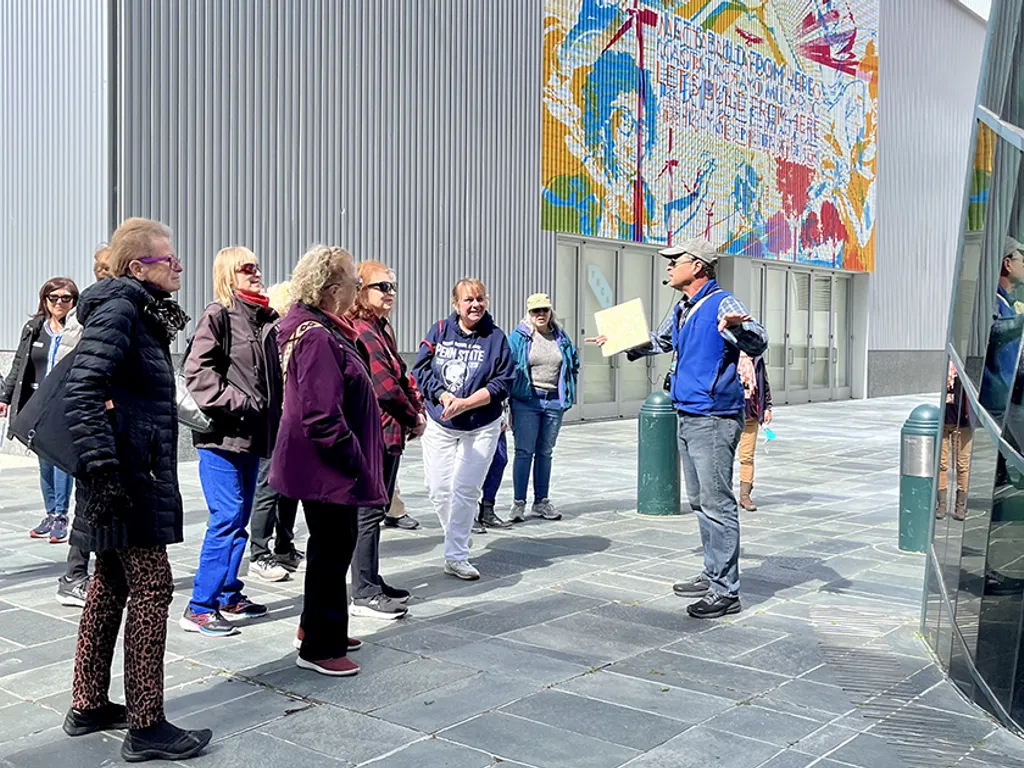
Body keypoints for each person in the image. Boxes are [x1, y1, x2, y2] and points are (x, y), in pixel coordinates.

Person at [63, 216, 211, 761]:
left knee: (108, 584)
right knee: (152, 587)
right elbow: (83, 390)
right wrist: (104, 473)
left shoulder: (138, 311)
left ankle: (88, 703)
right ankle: (147, 724)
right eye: (167, 259)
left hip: (127, 471)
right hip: (125, 477)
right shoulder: (124, 308)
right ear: (136, 267)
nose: (178, 266)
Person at [592, 237, 767, 619]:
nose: (669, 267)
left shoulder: (723, 302)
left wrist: (740, 328)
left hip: (713, 417)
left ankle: (726, 591)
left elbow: (759, 339)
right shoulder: (684, 307)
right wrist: (623, 340)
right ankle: (713, 572)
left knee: (717, 503)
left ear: (698, 267)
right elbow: (662, 340)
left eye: (676, 261)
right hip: (687, 412)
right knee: (700, 502)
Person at [270, 245, 387, 677]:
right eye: (356, 283)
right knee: (333, 552)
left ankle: (315, 625)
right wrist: (356, 460)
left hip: (321, 464)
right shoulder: (317, 335)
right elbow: (321, 415)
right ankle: (321, 647)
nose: (359, 289)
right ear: (333, 290)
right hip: (327, 467)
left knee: (326, 550)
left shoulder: (317, 327)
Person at [180, 247, 282, 636]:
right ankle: (199, 606)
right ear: (228, 274)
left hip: (252, 437)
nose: (256, 273)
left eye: (257, 267)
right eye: (247, 268)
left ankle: (227, 594)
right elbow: (198, 373)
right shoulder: (218, 314)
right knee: (226, 517)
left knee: (238, 518)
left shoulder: (262, 318)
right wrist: (242, 404)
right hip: (222, 437)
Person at [412, 278, 515, 581]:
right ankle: (457, 535)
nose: (475, 305)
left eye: (480, 299)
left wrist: (468, 403)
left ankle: (456, 556)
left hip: (481, 425)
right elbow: (421, 369)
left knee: (466, 490)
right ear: (455, 304)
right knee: (439, 489)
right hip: (441, 422)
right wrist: (444, 396)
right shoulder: (440, 330)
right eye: (468, 300)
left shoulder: (496, 338)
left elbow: (502, 382)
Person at [348, 261, 422, 618]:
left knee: (376, 511)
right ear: (361, 290)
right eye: (382, 286)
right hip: (375, 432)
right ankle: (362, 591)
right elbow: (385, 388)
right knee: (367, 513)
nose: (390, 293)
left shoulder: (381, 327)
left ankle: (372, 580)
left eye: (393, 286)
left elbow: (402, 375)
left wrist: (416, 404)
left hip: (391, 432)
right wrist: (414, 417)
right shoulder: (362, 328)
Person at [52, 247, 115, 608]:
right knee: (88, 501)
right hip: (92, 425)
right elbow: (71, 374)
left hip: (102, 424)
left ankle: (87, 573)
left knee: (93, 503)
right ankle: (74, 576)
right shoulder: (88, 316)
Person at [1, 277, 80, 544]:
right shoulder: (34, 328)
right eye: (53, 297)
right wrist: (6, 397)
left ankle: (61, 515)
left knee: (61, 462)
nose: (59, 303)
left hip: (64, 404)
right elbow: (19, 365)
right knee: (44, 462)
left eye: (66, 298)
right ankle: (50, 513)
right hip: (35, 403)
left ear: (74, 301)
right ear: (44, 299)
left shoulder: (79, 329)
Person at [248, 281, 305, 582]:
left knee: (290, 488)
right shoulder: (275, 336)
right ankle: (259, 552)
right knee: (269, 487)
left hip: (292, 424)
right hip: (276, 425)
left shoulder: (292, 337)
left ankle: (284, 546)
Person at [507, 292, 579, 523]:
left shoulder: (560, 336)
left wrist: (568, 390)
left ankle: (541, 501)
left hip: (553, 401)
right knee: (524, 451)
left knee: (545, 452)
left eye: (544, 310)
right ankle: (518, 503)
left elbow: (572, 362)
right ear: (528, 313)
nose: (540, 314)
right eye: (535, 311)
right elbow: (507, 367)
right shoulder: (519, 337)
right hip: (527, 400)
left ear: (550, 312)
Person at [736, 352, 773, 512]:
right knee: (722, 456)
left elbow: (763, 383)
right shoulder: (726, 352)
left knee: (747, 456)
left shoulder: (756, 358)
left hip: (750, 413)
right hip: (728, 413)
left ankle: (745, 496)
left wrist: (767, 408)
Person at [937, 362, 972, 521]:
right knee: (941, 464)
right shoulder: (944, 366)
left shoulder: (968, 366)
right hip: (944, 422)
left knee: (962, 465)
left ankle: (960, 506)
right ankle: (942, 505)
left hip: (963, 423)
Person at [477, 418, 510, 532]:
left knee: (499, 460)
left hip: (496, 416)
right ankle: (465, 514)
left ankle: (487, 509)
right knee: (473, 462)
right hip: (470, 418)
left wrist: (505, 414)